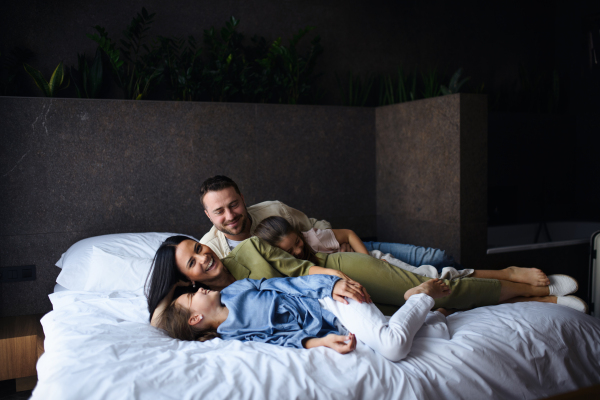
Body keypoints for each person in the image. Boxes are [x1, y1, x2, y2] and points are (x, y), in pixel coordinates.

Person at [145, 235, 586, 325]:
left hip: (340, 275)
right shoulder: (208, 306)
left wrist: (336, 280)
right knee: (436, 309)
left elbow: (304, 271)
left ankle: (533, 287)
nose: (203, 256)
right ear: (183, 280)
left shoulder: (248, 251)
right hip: (339, 313)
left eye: (198, 247)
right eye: (192, 260)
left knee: (438, 290)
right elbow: (158, 319)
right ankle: (535, 301)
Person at [155, 275, 452, 362]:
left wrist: (330, 285)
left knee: (393, 346)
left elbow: (289, 284)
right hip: (333, 324)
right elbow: (282, 339)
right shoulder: (232, 335)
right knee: (435, 338)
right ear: (194, 319)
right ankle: (435, 317)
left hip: (327, 299)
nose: (199, 288)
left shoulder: (237, 290)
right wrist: (322, 341)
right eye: (192, 295)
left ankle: (422, 294)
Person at [198, 175, 459, 272]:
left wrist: (332, 248)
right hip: (329, 273)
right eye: (219, 211)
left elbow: (316, 224)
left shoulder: (273, 210)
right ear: (209, 216)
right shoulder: (210, 250)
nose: (230, 215)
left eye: (233, 204)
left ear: (243, 200)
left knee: (437, 257)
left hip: (342, 247)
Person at [253, 216, 552, 285]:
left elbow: (348, 234)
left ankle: (507, 274)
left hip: (378, 263)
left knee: (432, 273)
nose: (299, 249)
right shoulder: (289, 268)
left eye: (297, 243)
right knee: (432, 281)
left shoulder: (313, 240)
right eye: (292, 250)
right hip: (369, 279)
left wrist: (367, 260)